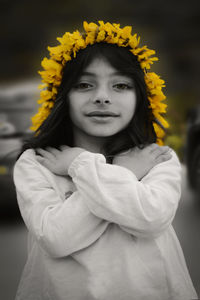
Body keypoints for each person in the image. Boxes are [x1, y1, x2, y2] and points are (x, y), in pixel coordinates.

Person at [13, 21, 198, 300]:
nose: (102, 97)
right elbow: (55, 238)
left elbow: (150, 218)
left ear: (141, 98)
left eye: (120, 85)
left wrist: (82, 166)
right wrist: (120, 173)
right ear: (61, 95)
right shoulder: (38, 162)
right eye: (85, 84)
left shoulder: (156, 158)